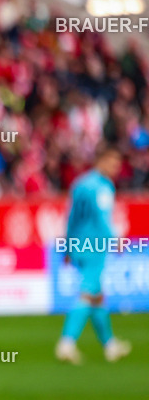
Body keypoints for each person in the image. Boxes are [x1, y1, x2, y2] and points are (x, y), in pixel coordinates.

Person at [55, 144, 132, 364]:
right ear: (103, 161)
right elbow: (101, 216)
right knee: (88, 292)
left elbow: (72, 218)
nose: (117, 168)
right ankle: (67, 342)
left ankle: (109, 345)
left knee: (97, 296)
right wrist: (114, 238)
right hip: (95, 244)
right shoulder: (103, 186)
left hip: (79, 244)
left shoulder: (80, 184)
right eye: (114, 163)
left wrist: (68, 246)